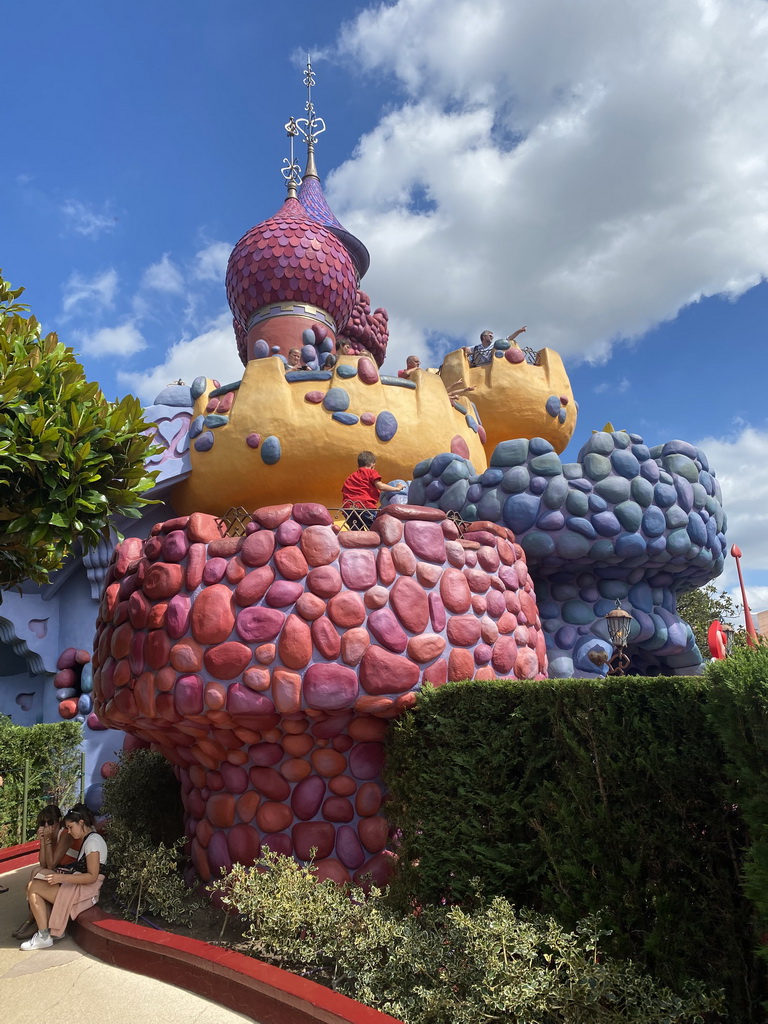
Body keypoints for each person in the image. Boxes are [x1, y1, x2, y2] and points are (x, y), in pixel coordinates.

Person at [19, 807, 107, 950]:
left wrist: (61, 877)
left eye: (71, 827)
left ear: (81, 822)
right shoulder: (90, 840)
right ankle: (44, 929)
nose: (70, 832)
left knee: (33, 887)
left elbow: (92, 877)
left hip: (86, 891)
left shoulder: (92, 843)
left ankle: (43, 935)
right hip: (81, 886)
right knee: (35, 882)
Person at [341, 451, 406, 530]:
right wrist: (397, 488)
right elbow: (380, 486)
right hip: (365, 507)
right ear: (373, 465)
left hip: (349, 508)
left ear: (358, 465)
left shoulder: (350, 477)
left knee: (356, 533)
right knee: (375, 531)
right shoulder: (371, 472)